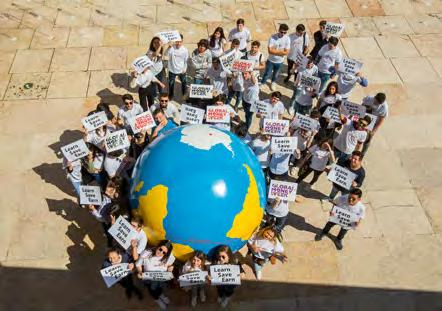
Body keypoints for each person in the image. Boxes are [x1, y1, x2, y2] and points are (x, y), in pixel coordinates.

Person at [136, 240, 175, 310]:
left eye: (164, 252)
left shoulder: (169, 257)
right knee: (152, 291)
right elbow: (138, 264)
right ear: (157, 246)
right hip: (149, 279)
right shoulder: (146, 253)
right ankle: (157, 300)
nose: (161, 252)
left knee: (159, 288)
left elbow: (171, 265)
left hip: (160, 279)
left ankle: (161, 295)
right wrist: (140, 272)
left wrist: (171, 267)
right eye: (160, 249)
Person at [86, 180, 120, 247]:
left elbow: (101, 218)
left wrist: (93, 210)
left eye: (111, 189)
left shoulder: (114, 203)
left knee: (109, 233)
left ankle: (110, 242)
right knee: (107, 230)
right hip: (103, 218)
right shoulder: (102, 195)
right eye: (107, 189)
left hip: (108, 220)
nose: (108, 190)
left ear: (115, 190)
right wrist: (92, 208)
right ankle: (109, 240)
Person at [261, 23, 290, 91]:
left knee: (276, 74)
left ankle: (273, 83)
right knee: (267, 74)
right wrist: (281, 52)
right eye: (282, 32)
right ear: (279, 30)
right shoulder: (273, 37)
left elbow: (286, 52)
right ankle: (263, 83)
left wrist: (275, 51)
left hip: (280, 62)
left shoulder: (287, 39)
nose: (283, 34)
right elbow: (270, 51)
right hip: (271, 60)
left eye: (285, 32)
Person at [167, 34, 189, 100]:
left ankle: (184, 94)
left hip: (181, 70)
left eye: (180, 41)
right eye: (177, 41)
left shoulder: (185, 50)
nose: (178, 43)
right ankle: (171, 95)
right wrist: (168, 47)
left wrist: (184, 69)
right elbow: (165, 55)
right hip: (172, 70)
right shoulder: (171, 48)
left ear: (182, 41)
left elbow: (186, 61)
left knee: (184, 83)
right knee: (171, 84)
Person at [146, 36, 166, 107]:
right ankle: (154, 97)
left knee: (160, 84)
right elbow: (156, 54)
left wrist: (168, 47)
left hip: (160, 70)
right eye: (155, 43)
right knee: (153, 86)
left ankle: (161, 96)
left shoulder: (160, 49)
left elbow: (161, 56)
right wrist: (160, 45)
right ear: (152, 44)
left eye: (158, 42)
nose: (157, 44)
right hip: (153, 73)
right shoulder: (149, 52)